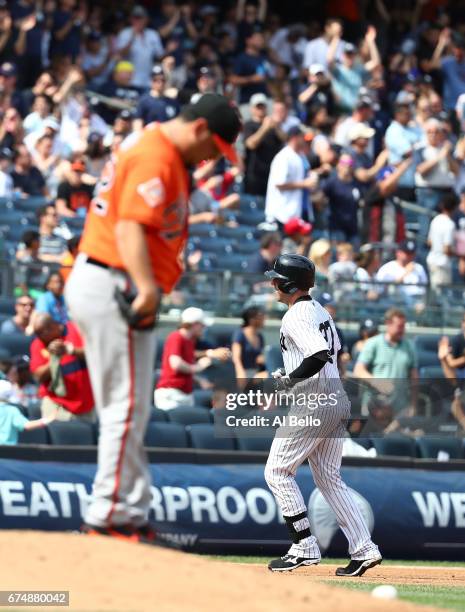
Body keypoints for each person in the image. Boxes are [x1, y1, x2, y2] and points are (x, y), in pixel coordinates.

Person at [65, 93, 241, 541]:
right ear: (200, 128)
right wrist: (147, 287)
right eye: (214, 148)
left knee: (132, 408)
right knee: (125, 407)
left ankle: (128, 512)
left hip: (114, 279)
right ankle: (109, 517)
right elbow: (128, 226)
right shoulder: (155, 153)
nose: (212, 160)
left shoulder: (159, 150)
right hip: (115, 280)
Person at [263, 253, 381, 575]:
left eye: (276, 279)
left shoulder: (296, 315)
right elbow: (332, 355)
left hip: (314, 402)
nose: (272, 283)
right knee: (328, 477)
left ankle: (303, 546)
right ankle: (364, 549)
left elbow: (318, 354)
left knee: (277, 472)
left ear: (288, 284)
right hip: (334, 397)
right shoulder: (319, 311)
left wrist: (290, 380)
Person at [155, 307, 230, 410]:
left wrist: (199, 380)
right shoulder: (176, 337)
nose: (204, 329)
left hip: (184, 395)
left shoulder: (189, 342)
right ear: (194, 324)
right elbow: (176, 364)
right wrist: (199, 366)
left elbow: (185, 368)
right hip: (171, 395)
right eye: (202, 326)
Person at [29, 313, 94, 422]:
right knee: (57, 436)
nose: (38, 337)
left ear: (52, 327)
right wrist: (54, 359)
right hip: (57, 405)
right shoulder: (38, 344)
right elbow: (38, 376)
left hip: (86, 405)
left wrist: (70, 350)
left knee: (87, 438)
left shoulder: (75, 329)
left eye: (40, 333)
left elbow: (94, 354)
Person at [354, 308, 418, 413]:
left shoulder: (409, 346)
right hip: (375, 406)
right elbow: (359, 370)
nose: (402, 330)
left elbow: (414, 376)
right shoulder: (372, 343)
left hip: (399, 408)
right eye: (399, 326)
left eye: (404, 326)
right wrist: (377, 382)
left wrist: (413, 405)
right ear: (388, 324)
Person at [265, 127, 315, 227]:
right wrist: (304, 184)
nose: (304, 140)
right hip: (281, 214)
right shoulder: (284, 157)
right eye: (302, 137)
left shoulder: (301, 155)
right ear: (294, 138)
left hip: (297, 212)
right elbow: (279, 184)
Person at [243, 95, 287, 196]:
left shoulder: (273, 126)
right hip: (255, 176)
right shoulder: (249, 125)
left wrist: (276, 126)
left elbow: (285, 139)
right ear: (252, 108)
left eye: (262, 106)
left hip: (272, 174)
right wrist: (265, 128)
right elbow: (251, 144)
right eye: (258, 107)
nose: (261, 109)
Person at [115, 5, 164, 89]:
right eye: (136, 18)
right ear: (131, 19)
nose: (138, 21)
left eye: (141, 18)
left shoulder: (152, 34)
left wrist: (169, 50)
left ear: (146, 19)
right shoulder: (125, 33)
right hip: (130, 80)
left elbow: (160, 55)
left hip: (147, 81)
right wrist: (132, 38)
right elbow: (120, 55)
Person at [319, 153, 360, 246]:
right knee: (338, 257)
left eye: (350, 163)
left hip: (353, 228)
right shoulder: (332, 183)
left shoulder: (356, 184)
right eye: (343, 162)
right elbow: (320, 198)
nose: (347, 165)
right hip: (336, 228)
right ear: (338, 165)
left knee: (354, 256)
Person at [0, 379, 56, 445]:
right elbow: (27, 425)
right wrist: (46, 420)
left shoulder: (12, 410)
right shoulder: (12, 411)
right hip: (7, 451)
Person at [376, 240, 428, 304]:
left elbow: (424, 289)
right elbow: (381, 289)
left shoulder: (419, 268)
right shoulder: (387, 268)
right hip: (393, 302)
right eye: (406, 253)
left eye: (411, 253)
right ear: (398, 252)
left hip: (415, 303)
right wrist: (406, 273)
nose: (409, 256)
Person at [427, 192, 458, 288]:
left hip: (432, 260)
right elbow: (446, 249)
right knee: (440, 296)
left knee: (434, 293)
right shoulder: (450, 224)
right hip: (442, 264)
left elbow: (429, 242)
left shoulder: (436, 219)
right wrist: (459, 253)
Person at [230, 29, 270, 106]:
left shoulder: (263, 57)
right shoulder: (241, 58)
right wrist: (251, 79)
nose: (261, 41)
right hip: (248, 102)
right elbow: (233, 79)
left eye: (262, 39)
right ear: (248, 40)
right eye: (258, 39)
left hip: (265, 100)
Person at [133, 64, 180, 129]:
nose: (159, 83)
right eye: (155, 80)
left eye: (163, 80)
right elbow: (138, 122)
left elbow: (177, 124)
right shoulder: (144, 101)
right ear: (151, 81)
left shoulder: (173, 102)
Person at [231, 306, 266, 379]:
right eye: (260, 316)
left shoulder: (259, 336)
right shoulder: (240, 334)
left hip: (255, 373)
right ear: (251, 319)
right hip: (242, 372)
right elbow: (236, 357)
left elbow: (258, 357)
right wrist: (240, 373)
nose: (263, 318)